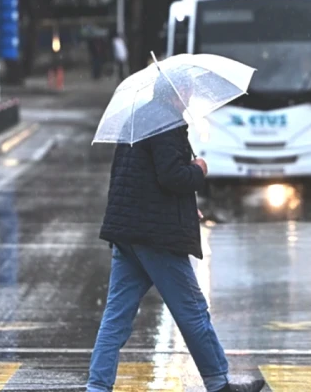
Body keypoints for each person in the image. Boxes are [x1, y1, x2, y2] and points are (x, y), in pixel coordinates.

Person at [87, 74, 266, 392]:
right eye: (190, 89)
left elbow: (139, 179)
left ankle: (97, 387)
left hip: (129, 232)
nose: (192, 95)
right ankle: (219, 384)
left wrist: (185, 207)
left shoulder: (138, 118)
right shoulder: (167, 123)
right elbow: (172, 177)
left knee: (116, 317)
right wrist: (199, 169)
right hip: (157, 237)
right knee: (193, 310)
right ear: (178, 91)